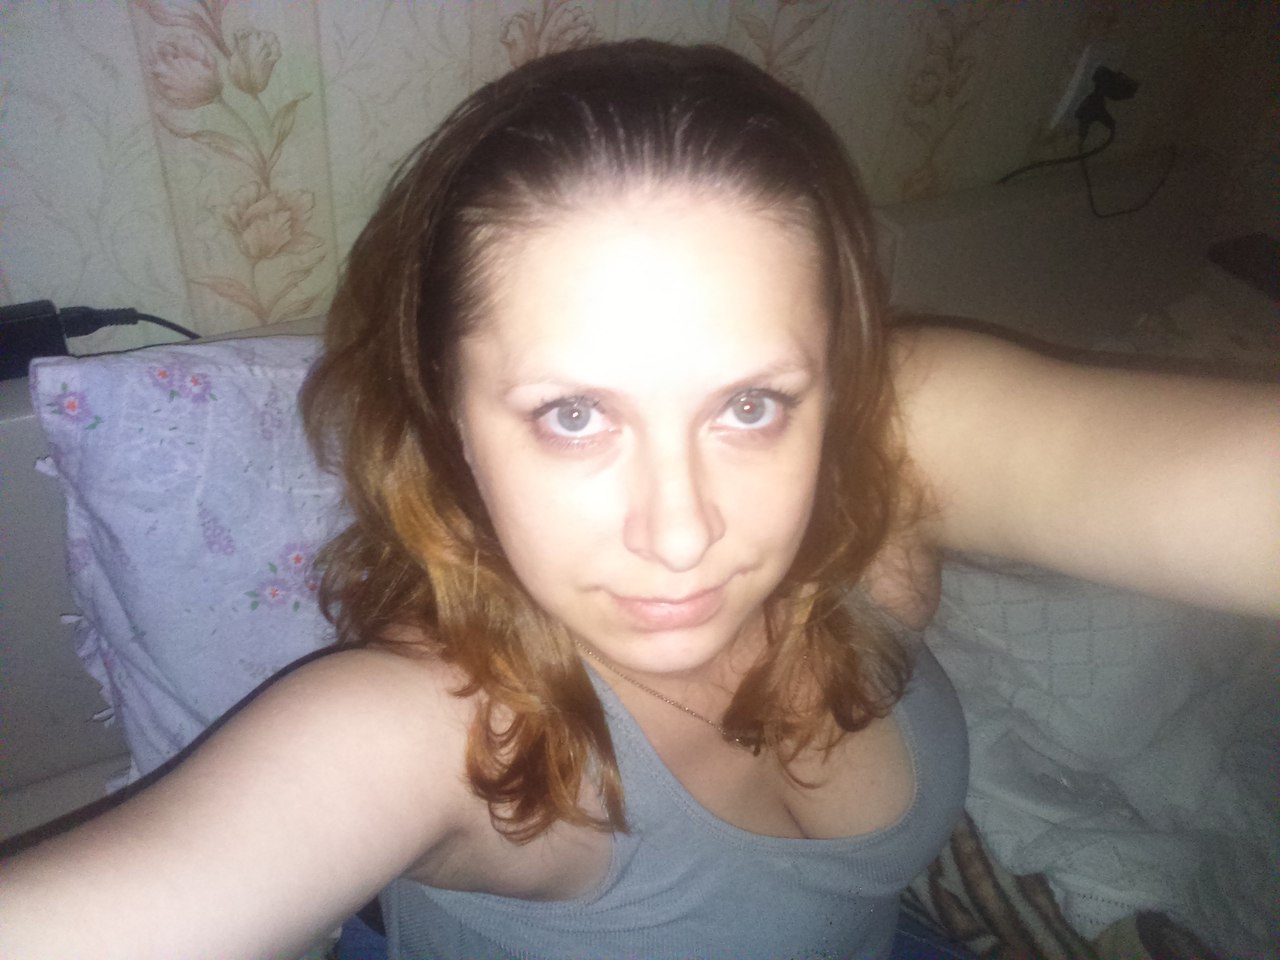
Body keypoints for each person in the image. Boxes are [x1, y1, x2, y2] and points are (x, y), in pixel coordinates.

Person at [0, 40, 1275, 960]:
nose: (681, 536)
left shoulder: (870, 452)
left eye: (748, 404)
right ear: (448, 416)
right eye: (573, 415)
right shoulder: (426, 735)